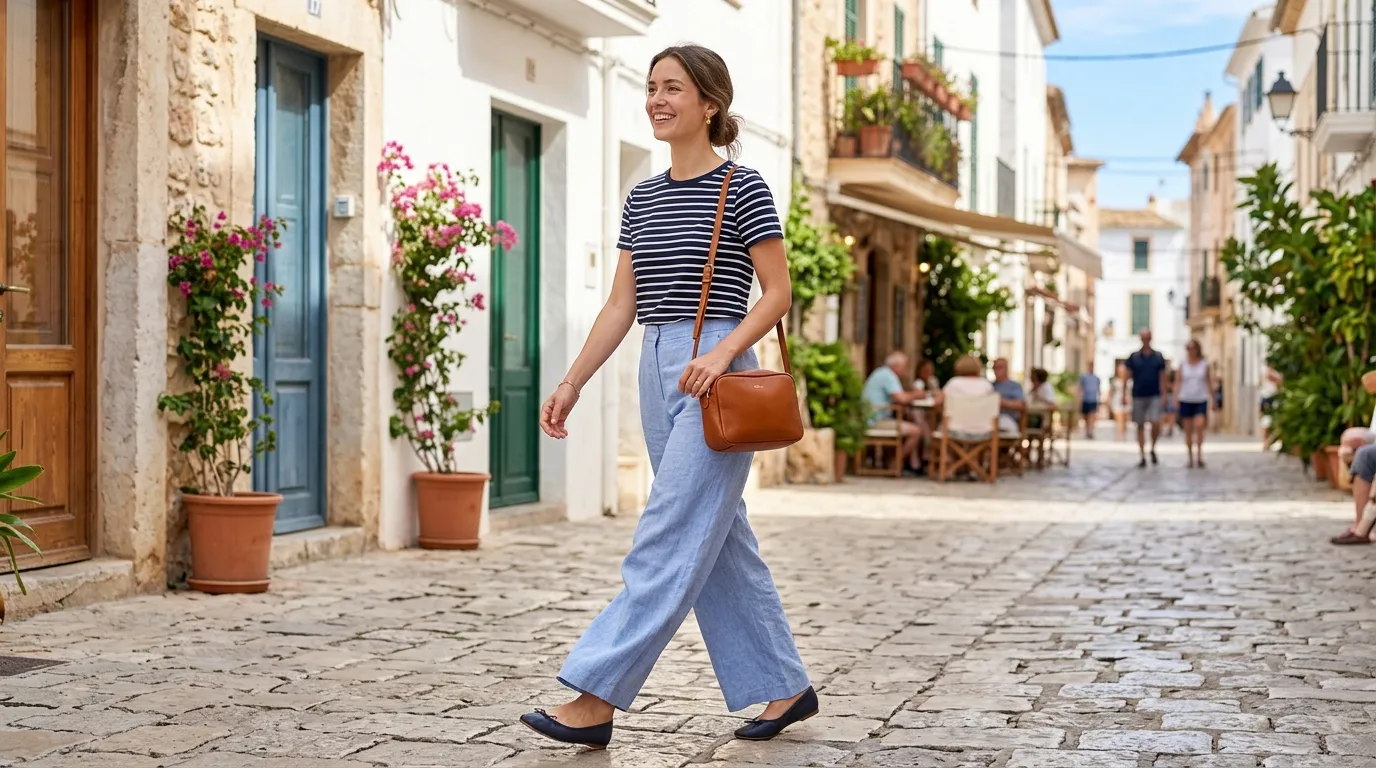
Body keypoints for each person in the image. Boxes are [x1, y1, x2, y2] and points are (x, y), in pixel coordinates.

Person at [521, 44, 815, 749]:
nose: (656, 99)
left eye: (672, 88)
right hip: (657, 364)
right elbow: (622, 305)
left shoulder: (742, 188)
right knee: (716, 538)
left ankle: (596, 694)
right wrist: (572, 381)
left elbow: (778, 293)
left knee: (668, 533)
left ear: (708, 104)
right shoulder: (643, 197)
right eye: (651, 87)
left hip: (718, 367)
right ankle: (784, 685)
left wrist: (718, 352)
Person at [862, 350, 926, 475]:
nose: (906, 371)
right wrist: (918, 394)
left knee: (907, 421)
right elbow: (902, 398)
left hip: (871, 417)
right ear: (897, 366)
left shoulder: (881, 373)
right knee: (916, 432)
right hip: (875, 421)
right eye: (905, 367)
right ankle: (895, 463)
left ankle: (900, 462)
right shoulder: (888, 375)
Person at [1124, 329, 1168, 467]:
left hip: (1154, 394)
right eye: (1144, 338)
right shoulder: (1134, 357)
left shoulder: (1158, 357)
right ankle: (1142, 455)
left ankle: (1153, 448)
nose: (1146, 340)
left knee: (1156, 422)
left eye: (1148, 337)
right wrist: (1124, 393)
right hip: (1138, 394)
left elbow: (1162, 377)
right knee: (1140, 425)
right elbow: (1127, 375)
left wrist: (1165, 394)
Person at [1176, 340, 1216, 468]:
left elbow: (1209, 382)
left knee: (1199, 426)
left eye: (1193, 348)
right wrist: (1175, 398)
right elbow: (1178, 381)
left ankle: (1199, 455)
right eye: (1189, 348)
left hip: (1200, 399)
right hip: (1186, 399)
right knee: (1188, 430)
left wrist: (1213, 399)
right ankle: (1190, 457)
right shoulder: (1182, 364)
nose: (1191, 351)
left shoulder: (1204, 364)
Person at [940, 355, 998, 436]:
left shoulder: (953, 383)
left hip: (955, 432)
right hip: (984, 433)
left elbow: (937, 401)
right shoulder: (986, 385)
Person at [990, 358, 1027, 434]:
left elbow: (1021, 405)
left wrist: (1001, 402)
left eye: (999, 367)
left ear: (1006, 369)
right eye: (994, 368)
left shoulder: (1014, 386)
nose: (996, 370)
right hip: (990, 421)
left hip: (1008, 420)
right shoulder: (990, 386)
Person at [1259, 365, 1281, 450]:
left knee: (1273, 421)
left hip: (1276, 396)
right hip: (1267, 396)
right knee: (1266, 421)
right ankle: (1265, 442)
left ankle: (1268, 441)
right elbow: (1269, 376)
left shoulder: (1278, 368)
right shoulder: (1266, 368)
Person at [1077, 365, 1102, 439]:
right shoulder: (1083, 377)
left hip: (1093, 399)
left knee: (1092, 416)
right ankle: (1087, 431)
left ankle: (1090, 432)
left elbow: (1098, 389)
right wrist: (1079, 399)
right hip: (1085, 399)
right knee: (1086, 417)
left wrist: (1100, 399)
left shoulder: (1097, 378)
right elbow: (1080, 387)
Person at [1110, 362, 1130, 441]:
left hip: (1126, 400)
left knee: (1125, 419)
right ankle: (1118, 434)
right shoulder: (1114, 381)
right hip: (1117, 400)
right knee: (1118, 419)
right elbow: (1111, 392)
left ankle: (1123, 434)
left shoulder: (1129, 381)